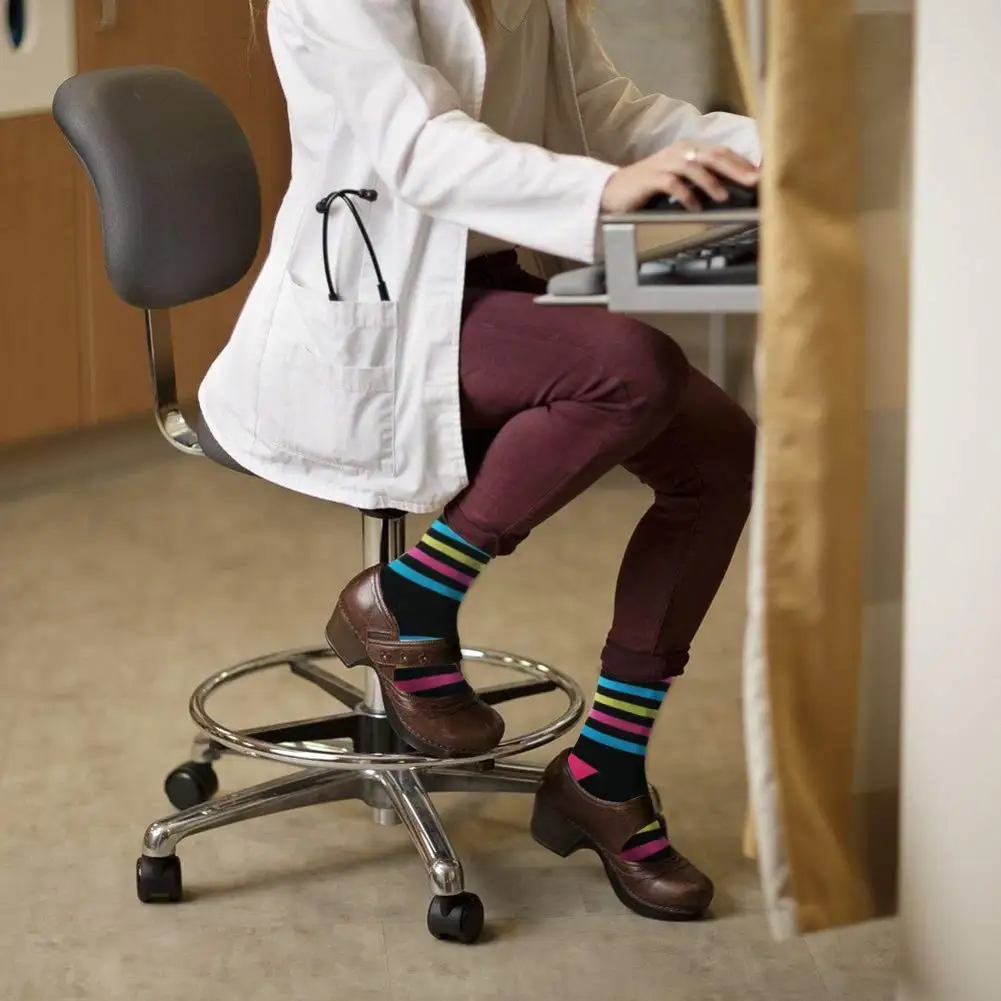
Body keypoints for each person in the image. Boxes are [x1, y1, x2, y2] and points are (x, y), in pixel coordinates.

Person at [199, 0, 760, 921]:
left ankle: (603, 771)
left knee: (719, 452)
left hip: (495, 289)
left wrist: (763, 153)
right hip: (378, 309)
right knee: (630, 370)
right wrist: (607, 194)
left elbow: (603, 110)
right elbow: (420, 147)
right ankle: (415, 596)